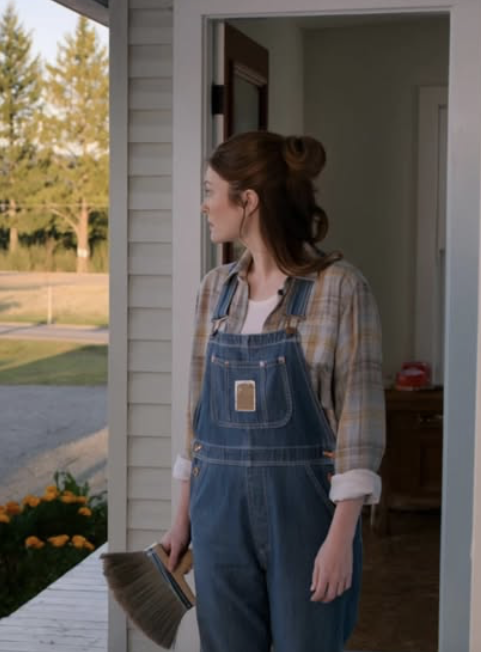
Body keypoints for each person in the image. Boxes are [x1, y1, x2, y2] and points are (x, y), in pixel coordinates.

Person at [161, 132, 385, 652]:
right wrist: (181, 521)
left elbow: (360, 421)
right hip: (217, 517)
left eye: (211, 191)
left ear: (248, 201)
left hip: (306, 520)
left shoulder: (341, 289)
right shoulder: (215, 290)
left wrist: (340, 539)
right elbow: (196, 419)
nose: (204, 204)